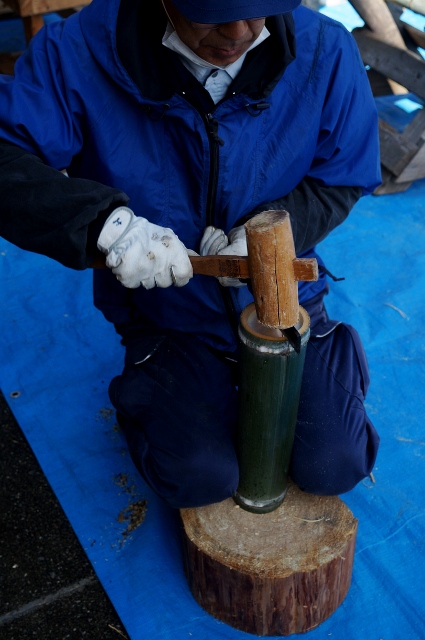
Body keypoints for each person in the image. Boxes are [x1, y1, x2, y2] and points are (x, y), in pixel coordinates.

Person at [0, 0, 381, 508]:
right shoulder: (76, 51)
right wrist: (101, 226)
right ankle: (152, 384)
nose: (240, 32)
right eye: (211, 12)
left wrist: (275, 229)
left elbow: (343, 176)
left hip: (287, 302)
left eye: (261, 8)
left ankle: (328, 350)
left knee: (336, 462)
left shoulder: (326, 48)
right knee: (200, 476)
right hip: (166, 314)